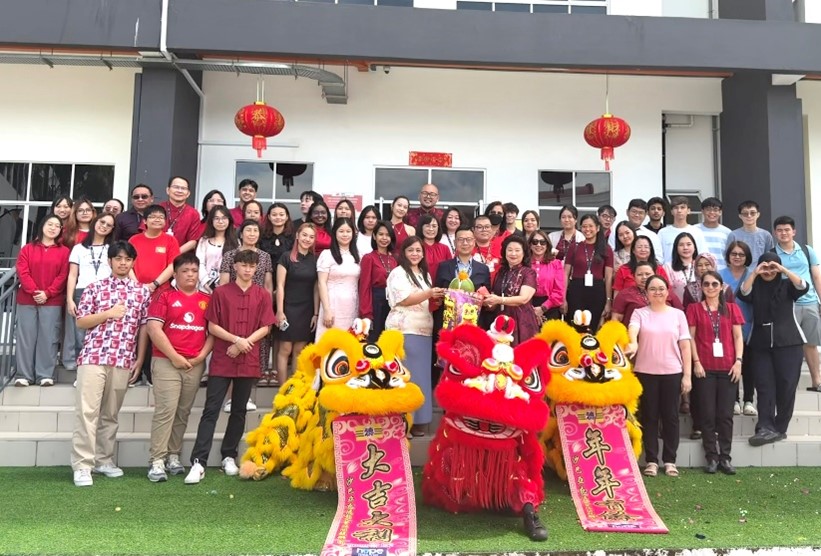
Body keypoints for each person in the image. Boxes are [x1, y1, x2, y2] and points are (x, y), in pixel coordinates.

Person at [185, 249, 275, 484]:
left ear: (256, 269)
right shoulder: (221, 293)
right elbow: (212, 326)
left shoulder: (263, 295)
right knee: (211, 409)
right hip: (224, 358)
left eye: (251, 266)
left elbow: (266, 327)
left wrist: (245, 343)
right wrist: (236, 340)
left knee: (239, 411)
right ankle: (199, 461)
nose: (247, 269)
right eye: (243, 265)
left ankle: (228, 455)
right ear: (234, 266)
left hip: (248, 358)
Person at [70, 241, 151, 487]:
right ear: (110, 261)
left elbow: (144, 327)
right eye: (118, 258)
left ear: (133, 262)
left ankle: (104, 460)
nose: (123, 263)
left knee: (111, 414)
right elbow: (81, 322)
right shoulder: (95, 288)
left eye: (127, 259)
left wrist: (139, 357)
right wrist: (108, 313)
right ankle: (83, 465)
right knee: (87, 412)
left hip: (123, 358)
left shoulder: (142, 292)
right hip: (93, 357)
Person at [146, 253, 214, 482]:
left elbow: (212, 332)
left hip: (194, 364)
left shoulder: (207, 299)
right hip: (166, 362)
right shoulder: (164, 297)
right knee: (166, 410)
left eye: (194, 271)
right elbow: (154, 330)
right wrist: (174, 356)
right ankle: (157, 460)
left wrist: (201, 356)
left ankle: (173, 455)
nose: (190, 275)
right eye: (185, 271)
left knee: (182, 412)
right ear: (175, 274)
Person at [737, 252, 808, 446]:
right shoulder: (755, 286)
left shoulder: (787, 286)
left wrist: (783, 270)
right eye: (765, 267)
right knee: (764, 386)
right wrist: (755, 272)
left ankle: (780, 428)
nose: (768, 271)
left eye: (772, 267)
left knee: (786, 386)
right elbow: (742, 292)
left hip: (789, 343)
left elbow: (802, 285)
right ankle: (764, 427)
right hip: (760, 344)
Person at [626, 274, 692, 478]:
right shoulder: (639, 313)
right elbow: (632, 332)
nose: (658, 292)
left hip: (672, 372)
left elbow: (685, 346)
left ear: (668, 291)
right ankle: (652, 460)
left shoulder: (677, 315)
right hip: (645, 373)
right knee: (650, 416)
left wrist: (687, 375)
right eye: (653, 289)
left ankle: (670, 460)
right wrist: (633, 344)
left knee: (671, 417)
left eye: (661, 288)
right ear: (646, 292)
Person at [686, 270, 744, 475]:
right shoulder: (694, 309)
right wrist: (696, 362)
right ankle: (711, 457)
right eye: (706, 284)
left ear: (721, 287)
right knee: (708, 415)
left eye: (714, 284)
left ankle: (725, 458)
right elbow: (690, 338)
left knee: (725, 415)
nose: (710, 288)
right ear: (701, 287)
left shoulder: (731, 308)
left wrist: (738, 361)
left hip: (728, 368)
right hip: (705, 369)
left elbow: (738, 337)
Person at [386, 236, 445, 437]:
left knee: (420, 378)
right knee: (405, 377)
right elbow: (404, 299)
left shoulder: (424, 274)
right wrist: (429, 293)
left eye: (418, 250)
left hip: (424, 331)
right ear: (403, 252)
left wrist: (436, 297)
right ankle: (402, 421)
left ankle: (419, 421)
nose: (415, 254)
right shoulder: (398, 272)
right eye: (411, 250)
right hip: (404, 330)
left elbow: (426, 300)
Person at [14, 214, 70, 387]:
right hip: (27, 300)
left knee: (48, 337)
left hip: (52, 301)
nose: (53, 228)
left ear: (61, 230)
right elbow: (22, 271)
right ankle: (24, 375)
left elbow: (63, 275)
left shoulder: (64, 251)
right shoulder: (27, 249)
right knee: (26, 337)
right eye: (50, 224)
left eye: (57, 226)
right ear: (42, 226)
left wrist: (48, 293)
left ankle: (45, 374)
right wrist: (34, 291)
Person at [219, 219, 274, 393]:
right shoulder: (230, 255)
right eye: (248, 230)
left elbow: (268, 284)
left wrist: (269, 307)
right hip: (233, 304)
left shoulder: (264, 256)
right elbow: (224, 281)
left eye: (255, 231)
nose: (252, 234)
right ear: (241, 233)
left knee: (256, 345)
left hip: (257, 304)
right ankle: (230, 392)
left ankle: (249, 389)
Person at [772, 215, 821, 393]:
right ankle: (787, 385)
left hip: (809, 302)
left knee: (811, 343)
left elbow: (816, 276)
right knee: (786, 346)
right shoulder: (772, 253)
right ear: (775, 233)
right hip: (786, 306)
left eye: (787, 230)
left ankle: (817, 381)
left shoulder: (807, 251)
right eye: (780, 230)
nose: (784, 233)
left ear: (794, 231)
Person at [65, 213, 116, 372]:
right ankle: (82, 372)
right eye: (102, 222)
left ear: (112, 229)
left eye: (109, 225)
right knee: (81, 335)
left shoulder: (112, 248)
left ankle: (102, 369)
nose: (104, 226)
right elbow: (73, 275)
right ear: (95, 222)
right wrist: (70, 299)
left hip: (107, 293)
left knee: (105, 332)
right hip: (83, 292)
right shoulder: (79, 248)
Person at [275, 223, 319, 386]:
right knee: (285, 350)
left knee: (299, 351)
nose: (307, 239)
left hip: (306, 309)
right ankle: (282, 389)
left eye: (311, 237)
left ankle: (294, 389)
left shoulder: (314, 260)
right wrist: (280, 311)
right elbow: (279, 285)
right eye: (305, 235)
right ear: (297, 236)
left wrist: (315, 313)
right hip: (287, 308)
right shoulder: (286, 257)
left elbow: (316, 288)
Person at [720, 240, 756, 416]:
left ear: (747, 257)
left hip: (748, 325)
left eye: (741, 254)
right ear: (728, 256)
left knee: (748, 365)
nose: (737, 257)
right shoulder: (719, 275)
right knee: (729, 363)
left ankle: (749, 400)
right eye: (734, 254)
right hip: (725, 326)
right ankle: (733, 400)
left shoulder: (753, 274)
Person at [484, 235, 540, 345]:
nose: (513, 254)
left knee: (521, 356)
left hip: (522, 321)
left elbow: (524, 298)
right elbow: (496, 294)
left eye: (517, 250)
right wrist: (488, 301)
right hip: (501, 319)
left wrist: (499, 300)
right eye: (509, 250)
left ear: (524, 253)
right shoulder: (501, 272)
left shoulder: (528, 273)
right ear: (504, 252)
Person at [434, 226, 492, 331]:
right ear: (455, 242)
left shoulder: (483, 269)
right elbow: (437, 296)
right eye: (460, 240)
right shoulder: (443, 266)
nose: (465, 243)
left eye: (469, 239)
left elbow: (487, 300)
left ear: (474, 242)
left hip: (474, 325)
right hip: (448, 324)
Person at [562, 214, 614, 330]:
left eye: (591, 226)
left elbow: (609, 276)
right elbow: (565, 273)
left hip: (597, 292)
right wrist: (563, 298)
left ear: (598, 228)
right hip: (576, 291)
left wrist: (608, 301)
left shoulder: (606, 249)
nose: (587, 229)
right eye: (584, 226)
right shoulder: (574, 247)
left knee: (593, 328)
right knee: (576, 326)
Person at [316, 217, 361, 338]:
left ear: (353, 233)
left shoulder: (358, 255)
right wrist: (326, 310)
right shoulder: (326, 254)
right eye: (341, 231)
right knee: (328, 346)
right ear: (335, 233)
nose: (345, 234)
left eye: (348, 231)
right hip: (332, 306)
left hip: (352, 307)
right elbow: (321, 283)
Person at [358, 221, 397, 341]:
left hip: (391, 303)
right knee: (373, 341)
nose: (384, 238)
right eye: (381, 234)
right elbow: (364, 287)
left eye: (387, 235)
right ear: (374, 236)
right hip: (375, 304)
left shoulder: (394, 259)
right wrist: (366, 314)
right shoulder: (368, 258)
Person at [611, 261, 683, 325]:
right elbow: (616, 319)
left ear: (655, 274)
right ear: (634, 276)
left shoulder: (666, 292)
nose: (644, 277)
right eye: (639, 274)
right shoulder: (625, 294)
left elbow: (680, 315)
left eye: (648, 274)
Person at [129, 205, 180, 294]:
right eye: (153, 217)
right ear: (144, 221)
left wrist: (154, 284)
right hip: (135, 290)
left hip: (161, 290)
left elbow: (173, 265)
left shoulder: (171, 240)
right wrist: (137, 285)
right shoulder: (134, 240)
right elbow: (127, 264)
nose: (157, 220)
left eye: (161, 217)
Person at [195, 206, 238, 294]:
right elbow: (200, 263)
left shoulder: (236, 242)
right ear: (211, 221)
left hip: (228, 290)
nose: (220, 222)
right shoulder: (204, 241)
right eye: (217, 218)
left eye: (224, 218)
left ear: (229, 220)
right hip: (204, 289)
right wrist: (207, 284)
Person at [527, 230, 565, 322]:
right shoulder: (524, 264)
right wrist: (531, 310)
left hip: (550, 308)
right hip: (527, 307)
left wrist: (543, 308)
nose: (538, 245)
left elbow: (559, 292)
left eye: (542, 242)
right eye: (535, 242)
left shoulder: (556, 264)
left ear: (547, 245)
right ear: (530, 245)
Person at [658, 197, 708, 265]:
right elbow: (659, 257)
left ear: (688, 210)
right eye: (676, 208)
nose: (679, 210)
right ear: (671, 212)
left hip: (692, 272)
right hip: (668, 272)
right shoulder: (662, 233)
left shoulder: (697, 232)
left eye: (682, 207)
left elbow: (703, 255)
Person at [726, 200, 775, 265]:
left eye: (752, 213)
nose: (749, 216)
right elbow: (729, 258)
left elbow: (770, 257)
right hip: (740, 273)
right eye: (745, 213)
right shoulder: (733, 235)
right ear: (740, 216)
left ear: (758, 214)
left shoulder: (766, 235)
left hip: (760, 272)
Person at [160, 176, 200, 253]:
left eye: (183, 188)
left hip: (181, 258)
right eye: (176, 187)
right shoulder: (157, 209)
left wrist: (174, 254)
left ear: (188, 193)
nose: (179, 191)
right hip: (157, 254)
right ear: (168, 190)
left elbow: (193, 241)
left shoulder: (193, 213)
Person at [259, 202, 294, 276]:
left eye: (281, 215)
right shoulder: (261, 236)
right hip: (265, 276)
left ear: (287, 217)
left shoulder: (293, 236)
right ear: (269, 217)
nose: (278, 217)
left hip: (288, 276)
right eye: (274, 215)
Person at [416, 214, 452, 287]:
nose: (431, 229)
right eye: (427, 226)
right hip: (420, 291)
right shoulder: (416, 248)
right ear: (421, 228)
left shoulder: (445, 248)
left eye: (434, 226)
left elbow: (450, 271)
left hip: (441, 291)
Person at [697, 197, 732, 272]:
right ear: (702, 211)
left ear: (720, 212)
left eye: (715, 209)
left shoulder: (727, 232)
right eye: (708, 209)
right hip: (700, 272)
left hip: (722, 272)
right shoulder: (694, 230)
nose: (712, 212)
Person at [663, 232, 699, 304]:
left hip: (697, 308)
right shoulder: (668, 267)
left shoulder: (700, 265)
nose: (685, 248)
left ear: (694, 247)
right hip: (676, 308)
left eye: (689, 244)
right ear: (676, 248)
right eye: (681, 245)